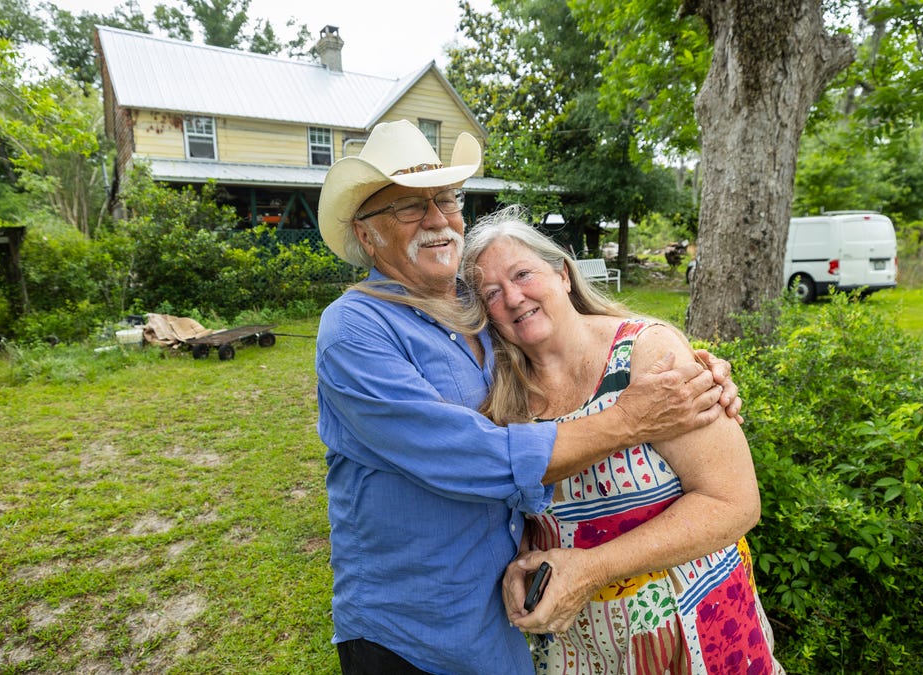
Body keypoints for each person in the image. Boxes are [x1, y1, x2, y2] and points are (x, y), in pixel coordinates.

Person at [315, 119, 741, 675]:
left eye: (447, 199)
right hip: (411, 630)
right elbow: (468, 456)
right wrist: (632, 418)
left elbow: (568, 329)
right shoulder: (355, 329)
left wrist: (695, 367)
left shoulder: (477, 310)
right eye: (410, 208)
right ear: (367, 234)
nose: (439, 220)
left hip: (508, 625)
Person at [460, 206, 782, 674]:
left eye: (523, 273)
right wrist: (524, 563)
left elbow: (735, 501)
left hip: (693, 626)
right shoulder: (503, 403)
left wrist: (592, 569)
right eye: (491, 292)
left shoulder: (647, 355)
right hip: (580, 642)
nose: (512, 297)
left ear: (564, 275)